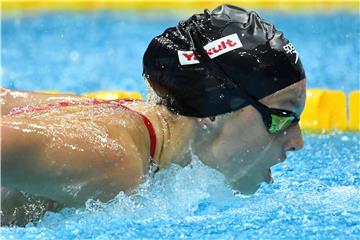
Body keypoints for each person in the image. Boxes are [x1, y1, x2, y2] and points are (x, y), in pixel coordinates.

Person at [1, 4, 306, 225]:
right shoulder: (114, 159)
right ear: (214, 109)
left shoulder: (128, 126)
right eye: (281, 117)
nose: (297, 141)